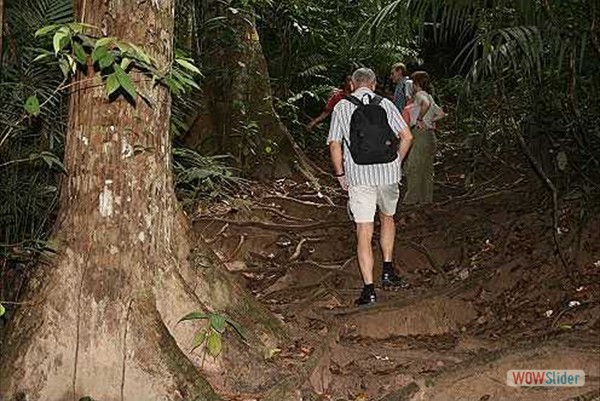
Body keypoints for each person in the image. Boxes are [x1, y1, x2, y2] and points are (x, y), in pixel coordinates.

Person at [327, 67, 413, 305]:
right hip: (387, 175)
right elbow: (407, 136)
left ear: (352, 85)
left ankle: (369, 290)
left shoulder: (342, 107)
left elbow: (335, 145)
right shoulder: (385, 104)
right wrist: (396, 161)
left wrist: (340, 175)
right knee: (387, 218)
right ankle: (387, 270)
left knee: (363, 232)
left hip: (359, 178)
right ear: (374, 85)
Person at [402, 71, 447, 204]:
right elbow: (442, 114)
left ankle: (412, 198)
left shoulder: (420, 95)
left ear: (416, 84)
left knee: (414, 167)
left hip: (421, 135)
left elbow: (425, 104)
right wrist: (431, 121)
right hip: (429, 136)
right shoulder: (429, 95)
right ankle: (425, 199)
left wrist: (421, 119)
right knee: (426, 169)